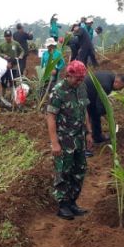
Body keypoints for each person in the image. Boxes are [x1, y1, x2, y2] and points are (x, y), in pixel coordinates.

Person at [46, 60, 93, 220]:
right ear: (68, 75)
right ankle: (63, 205)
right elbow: (51, 117)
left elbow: (84, 109)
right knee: (63, 171)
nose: (80, 81)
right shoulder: (58, 91)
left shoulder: (81, 87)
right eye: (77, 78)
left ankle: (73, 202)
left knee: (79, 169)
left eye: (82, 78)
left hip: (79, 137)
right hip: (64, 138)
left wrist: (88, 132)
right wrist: (54, 143)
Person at [84, 71, 124, 145]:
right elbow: (99, 105)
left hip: (90, 92)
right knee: (95, 115)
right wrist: (107, 116)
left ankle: (95, 136)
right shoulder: (106, 85)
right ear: (117, 82)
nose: (120, 90)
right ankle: (96, 138)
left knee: (94, 113)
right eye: (121, 87)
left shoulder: (111, 76)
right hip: (85, 93)